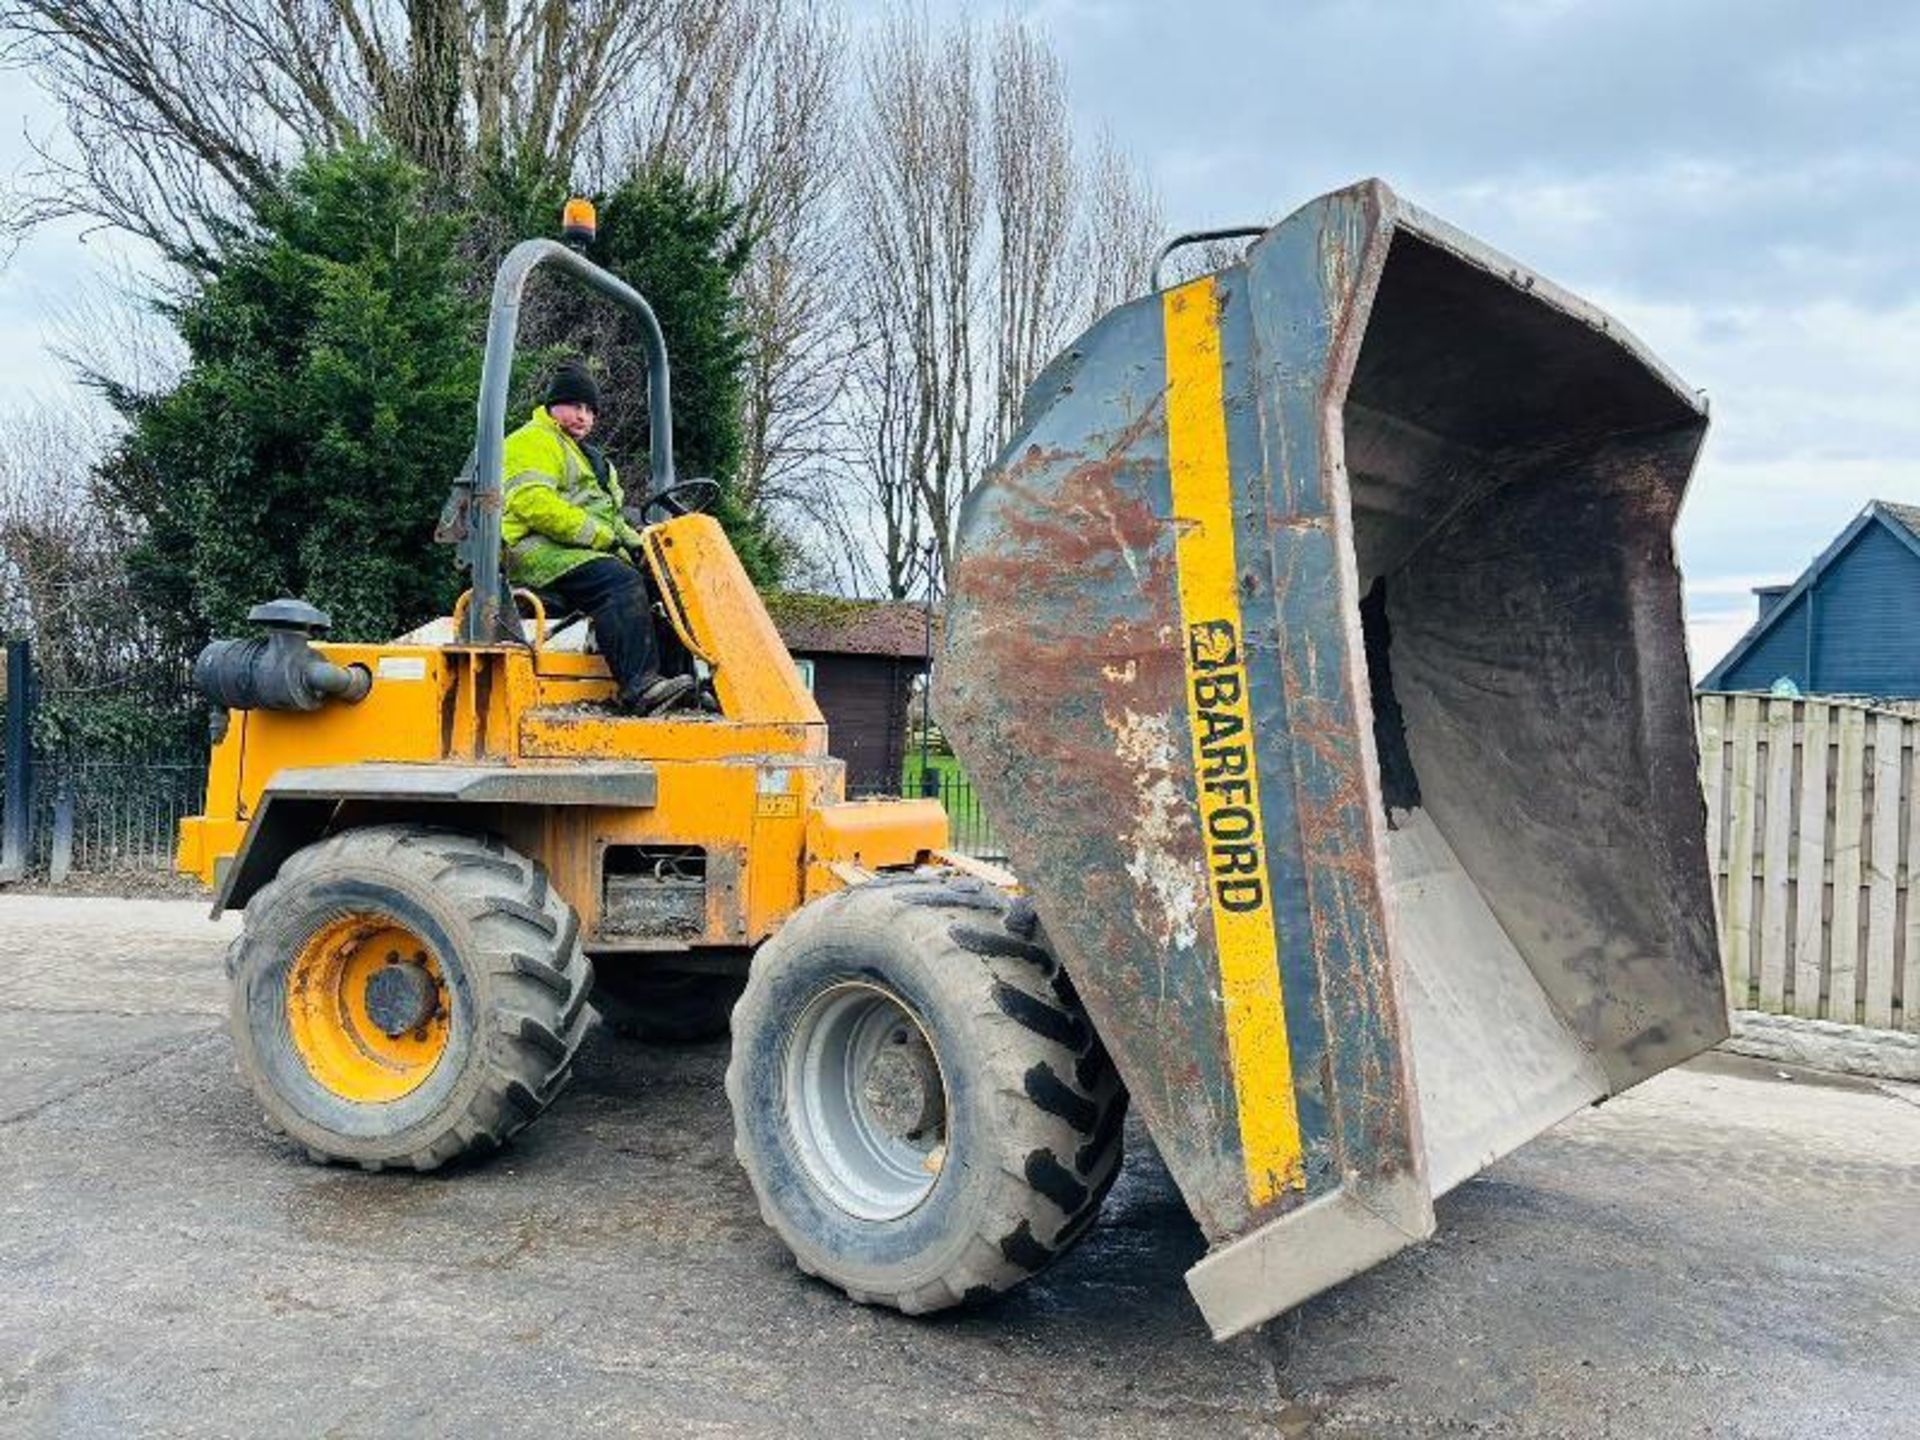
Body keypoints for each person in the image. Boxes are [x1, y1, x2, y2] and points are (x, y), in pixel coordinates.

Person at [501, 363, 693, 714]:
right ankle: (640, 686)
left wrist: (643, 546)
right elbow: (534, 504)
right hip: (534, 551)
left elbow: (614, 520)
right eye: (575, 405)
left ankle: (680, 686)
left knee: (664, 586)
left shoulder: (596, 461)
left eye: (590, 410)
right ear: (552, 405)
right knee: (618, 581)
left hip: (575, 553)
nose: (583, 416)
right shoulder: (530, 441)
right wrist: (601, 538)